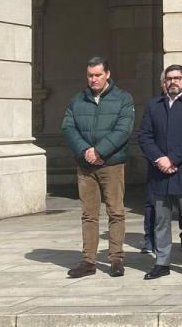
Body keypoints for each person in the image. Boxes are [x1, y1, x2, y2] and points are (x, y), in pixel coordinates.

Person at [62, 56, 135, 278]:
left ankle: (116, 259)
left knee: (116, 212)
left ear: (107, 74)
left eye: (98, 75)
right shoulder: (78, 100)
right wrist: (85, 150)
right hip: (85, 166)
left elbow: (123, 129)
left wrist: (100, 151)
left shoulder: (123, 99)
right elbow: (68, 127)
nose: (94, 79)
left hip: (111, 164)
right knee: (89, 215)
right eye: (90, 75)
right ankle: (88, 261)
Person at [138, 64, 182, 280]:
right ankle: (162, 262)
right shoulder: (154, 105)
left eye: (177, 78)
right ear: (164, 81)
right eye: (169, 78)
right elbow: (145, 136)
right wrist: (160, 159)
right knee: (161, 220)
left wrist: (173, 158)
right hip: (160, 172)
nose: (173, 82)